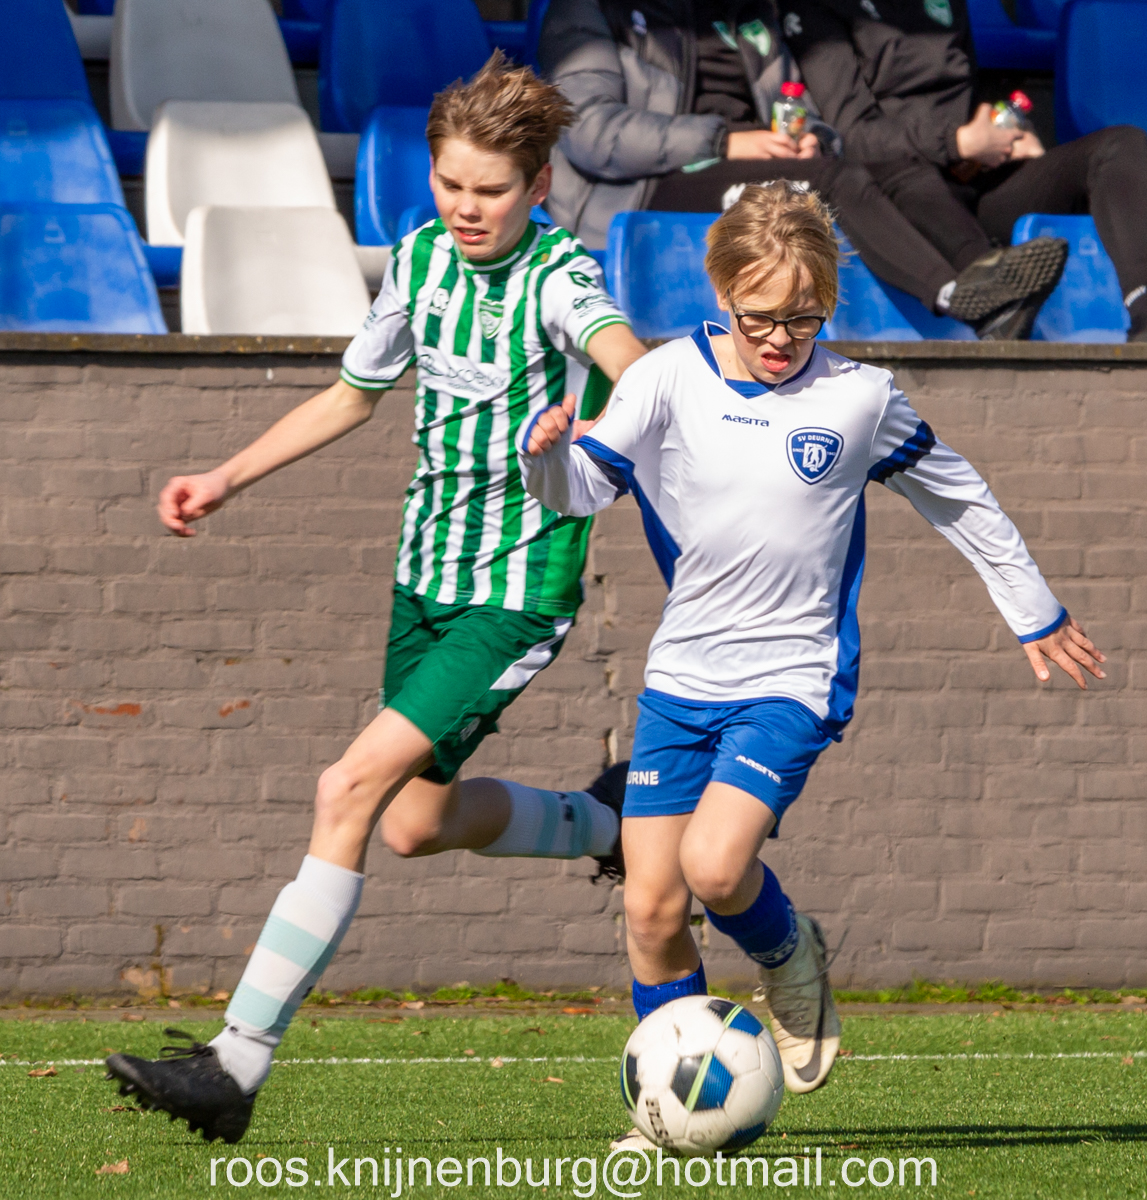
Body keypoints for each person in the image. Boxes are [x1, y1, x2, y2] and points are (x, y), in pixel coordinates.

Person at [103, 53, 648, 1145]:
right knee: (409, 822)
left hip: (514, 591)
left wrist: (601, 417)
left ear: (539, 185)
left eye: (491, 190)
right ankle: (613, 822)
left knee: (344, 786)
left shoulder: (561, 276)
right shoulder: (417, 260)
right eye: (450, 183)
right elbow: (352, 395)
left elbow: (628, 360)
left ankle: (235, 1063)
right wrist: (226, 476)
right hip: (422, 578)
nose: (466, 207)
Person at [520, 182, 1105, 1148]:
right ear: (720, 295)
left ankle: (789, 955)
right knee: (651, 907)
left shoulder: (858, 398)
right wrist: (544, 455)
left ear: (827, 304)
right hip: (682, 679)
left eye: (803, 317)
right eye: (759, 318)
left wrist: (1032, 610)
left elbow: (959, 497)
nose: (780, 338)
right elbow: (581, 489)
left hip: (792, 677)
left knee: (714, 867)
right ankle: (670, 1116)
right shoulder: (665, 378)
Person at [539, 0, 1067, 335]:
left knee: (886, 161)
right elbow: (590, 132)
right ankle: (956, 297)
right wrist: (726, 141)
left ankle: (986, 273)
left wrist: (809, 137)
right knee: (829, 180)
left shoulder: (750, 13)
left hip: (751, 160)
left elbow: (803, 110)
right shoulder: (589, 9)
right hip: (645, 185)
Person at [782, 0, 1147, 340]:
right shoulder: (818, 6)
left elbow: (963, 98)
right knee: (897, 170)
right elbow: (851, 136)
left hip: (977, 178)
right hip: (901, 194)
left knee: (1120, 145)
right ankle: (995, 298)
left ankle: (1143, 315)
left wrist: (1008, 137)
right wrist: (956, 142)